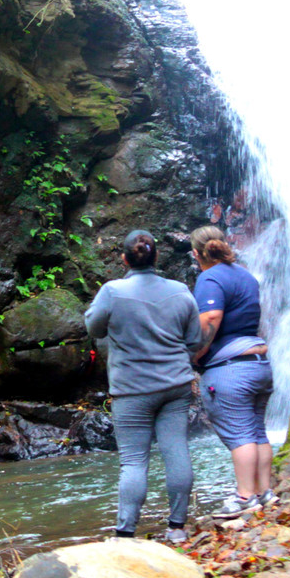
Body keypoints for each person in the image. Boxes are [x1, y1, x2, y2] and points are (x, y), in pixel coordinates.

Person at [85, 229, 203, 543]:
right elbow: (194, 340)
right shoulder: (180, 290)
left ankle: (125, 535)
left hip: (132, 389)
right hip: (176, 383)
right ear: (157, 257)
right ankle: (177, 528)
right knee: (176, 449)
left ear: (124, 259)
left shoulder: (112, 291)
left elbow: (94, 328)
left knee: (134, 460)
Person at [189, 225, 277, 519]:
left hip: (230, 369)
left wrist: (196, 355)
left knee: (241, 436)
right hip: (258, 364)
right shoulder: (246, 275)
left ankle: (244, 497)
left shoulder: (209, 277)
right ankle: (265, 492)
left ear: (196, 253)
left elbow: (211, 318)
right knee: (257, 432)